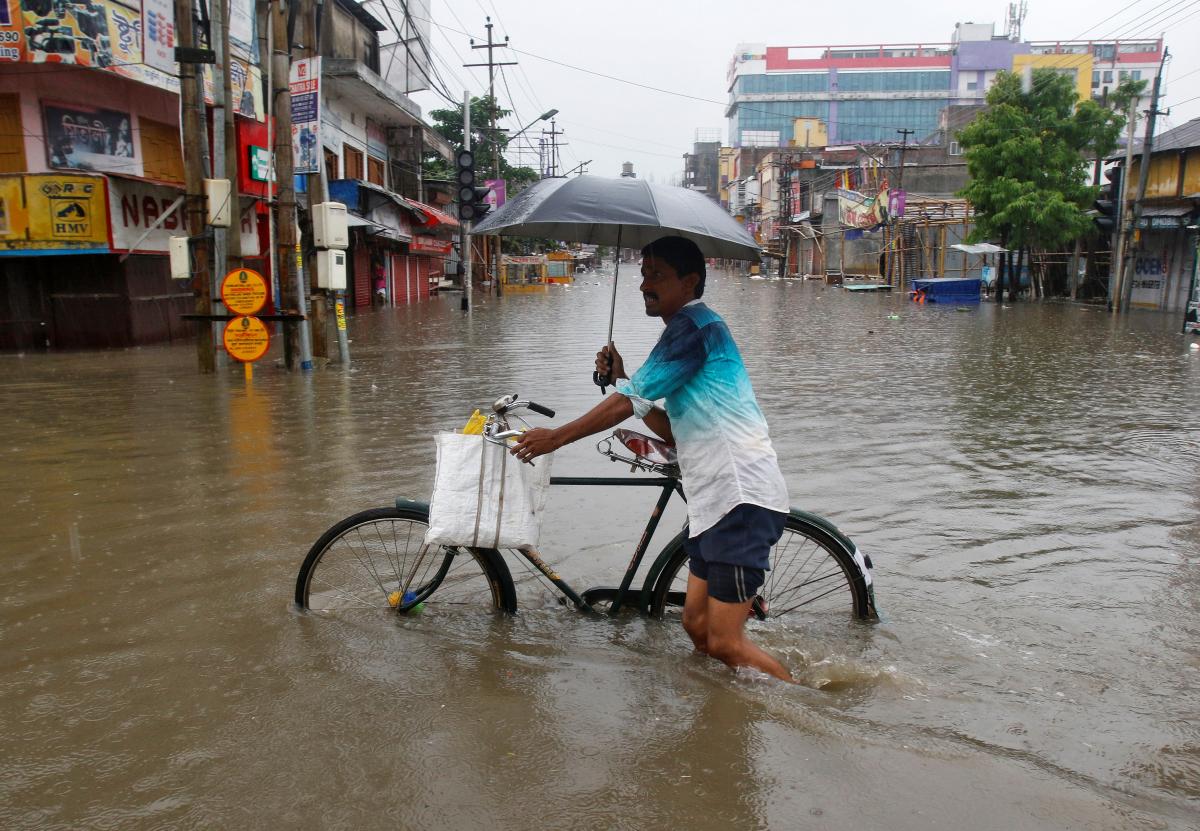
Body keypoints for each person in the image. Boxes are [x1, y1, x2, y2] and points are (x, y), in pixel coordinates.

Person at [511, 235, 793, 682]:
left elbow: (629, 403)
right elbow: (668, 426)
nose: (645, 285)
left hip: (739, 496)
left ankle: (808, 702)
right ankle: (725, 707)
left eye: (657, 275)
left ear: (690, 281)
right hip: (714, 502)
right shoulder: (685, 331)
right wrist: (622, 379)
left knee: (724, 642)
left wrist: (557, 437)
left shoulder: (693, 328)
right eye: (643, 275)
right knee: (695, 626)